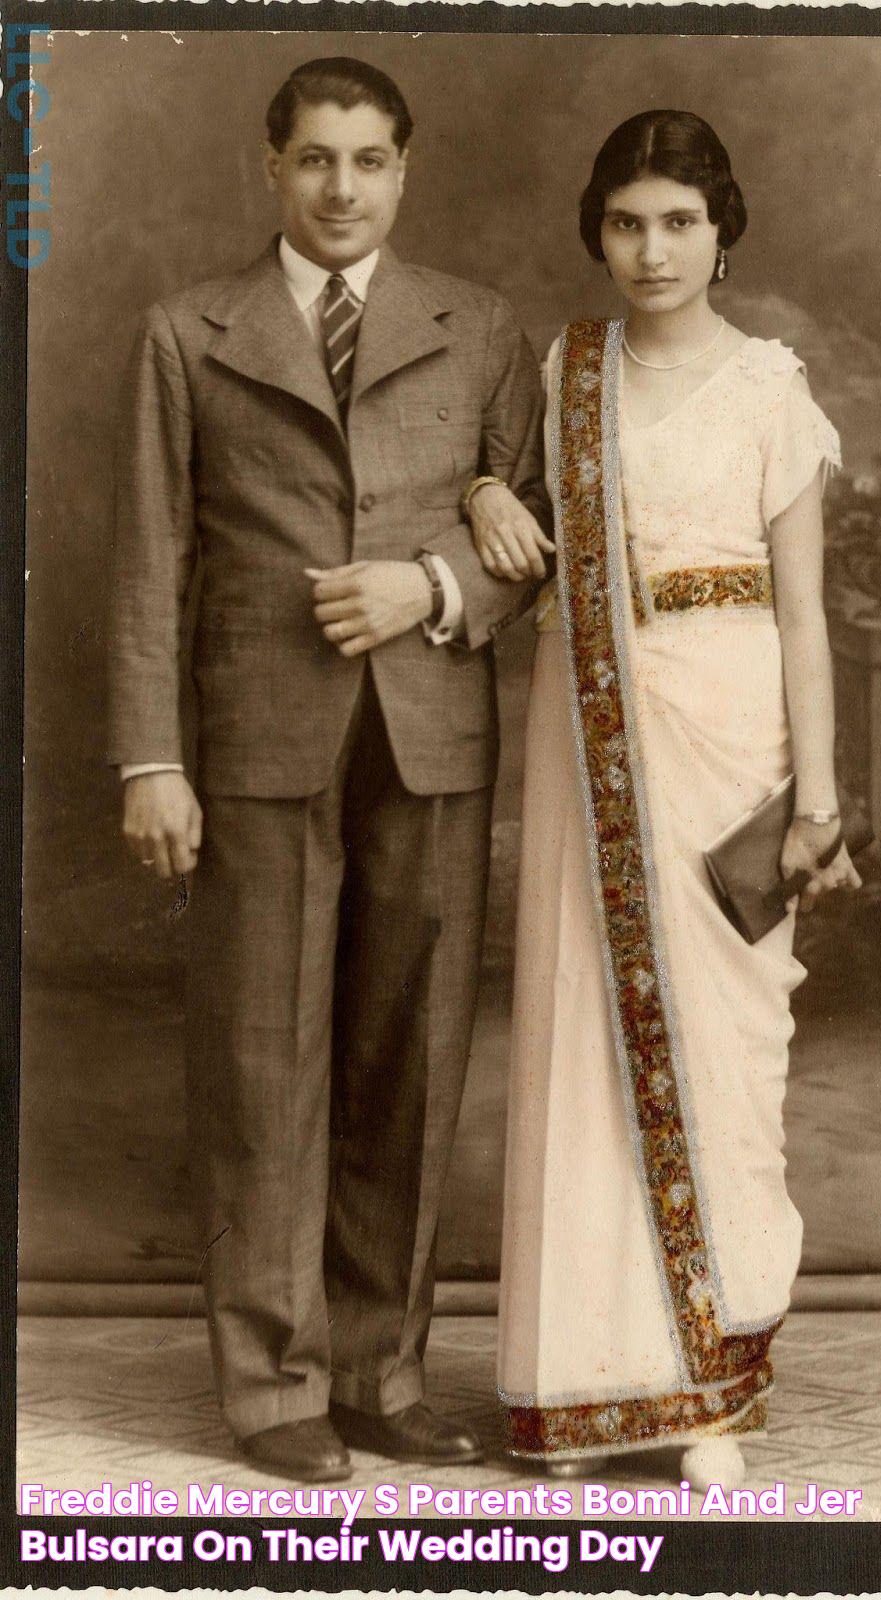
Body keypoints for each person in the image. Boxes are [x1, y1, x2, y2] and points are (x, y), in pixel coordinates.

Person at [107, 55, 551, 1482]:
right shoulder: (190, 332)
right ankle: (275, 1387)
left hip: (431, 738)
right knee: (263, 1064)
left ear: (406, 170)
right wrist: (149, 757)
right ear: (271, 167)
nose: (341, 188)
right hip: (253, 738)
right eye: (315, 160)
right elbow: (147, 561)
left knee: (408, 1061)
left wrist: (431, 589)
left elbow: (536, 536)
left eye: (368, 160)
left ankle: (381, 1370)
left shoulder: (479, 326)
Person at [470, 110, 861, 1490]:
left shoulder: (771, 387)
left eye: (680, 222)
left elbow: (807, 618)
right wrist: (479, 495)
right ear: (599, 230)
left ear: (721, 231)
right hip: (586, 740)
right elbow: (508, 503)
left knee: (727, 1062)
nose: (652, 250)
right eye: (628, 222)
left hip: (727, 736)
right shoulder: (565, 371)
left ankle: (708, 1394)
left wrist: (816, 800)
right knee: (582, 1035)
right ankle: (583, 1387)